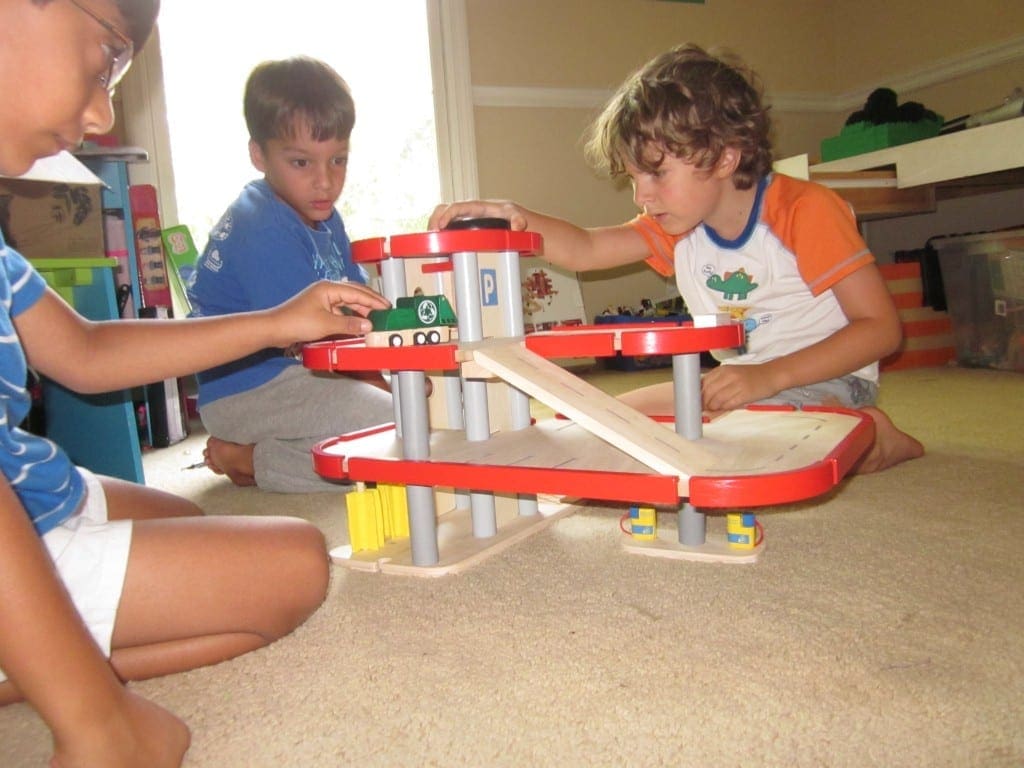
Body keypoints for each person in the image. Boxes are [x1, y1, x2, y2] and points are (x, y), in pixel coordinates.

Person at [0, 2, 391, 766]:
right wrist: (95, 720)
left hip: (42, 490)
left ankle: (28, 663)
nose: (105, 107)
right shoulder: (260, 219)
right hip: (28, 527)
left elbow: (81, 349)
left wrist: (277, 322)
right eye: (107, 55)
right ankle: (55, 669)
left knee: (188, 523)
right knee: (300, 561)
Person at [430, 43, 923, 474]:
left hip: (825, 378)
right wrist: (512, 215)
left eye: (657, 174)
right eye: (633, 179)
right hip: (735, 382)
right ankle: (835, 435)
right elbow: (585, 248)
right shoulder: (680, 224)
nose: (641, 196)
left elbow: (880, 329)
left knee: (733, 446)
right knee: (601, 423)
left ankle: (873, 437)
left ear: (725, 157)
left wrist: (769, 376)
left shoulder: (804, 211)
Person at [187, 56, 394, 492]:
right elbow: (323, 336)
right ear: (258, 155)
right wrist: (389, 388)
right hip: (244, 390)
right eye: (302, 163)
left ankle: (276, 444)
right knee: (398, 430)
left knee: (409, 419)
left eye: (337, 160)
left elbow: (359, 306)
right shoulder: (261, 225)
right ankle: (245, 457)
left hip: (300, 376)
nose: (325, 181)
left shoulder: (323, 217)